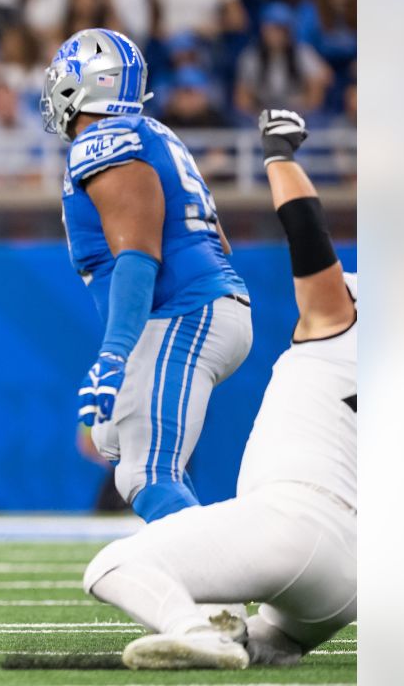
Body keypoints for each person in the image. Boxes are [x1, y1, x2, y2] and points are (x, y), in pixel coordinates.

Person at [82, 109, 356, 670]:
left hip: (295, 524)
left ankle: (197, 627)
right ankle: (269, 641)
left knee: (113, 566)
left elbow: (307, 233)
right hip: (349, 581)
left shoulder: (344, 322)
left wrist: (279, 157)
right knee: (267, 640)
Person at [40, 28, 252, 523]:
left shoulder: (103, 140)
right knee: (114, 436)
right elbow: (217, 241)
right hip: (200, 308)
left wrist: (114, 354)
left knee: (144, 473)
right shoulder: (150, 134)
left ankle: (216, 592)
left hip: (182, 312)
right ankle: (210, 572)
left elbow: (138, 254)